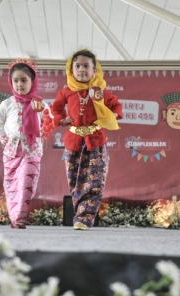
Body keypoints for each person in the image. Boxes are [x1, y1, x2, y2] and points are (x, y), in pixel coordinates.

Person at [51, 49, 123, 230]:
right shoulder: (65, 91)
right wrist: (62, 120)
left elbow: (116, 106)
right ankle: (79, 213)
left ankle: (84, 218)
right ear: (71, 70)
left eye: (86, 66)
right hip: (73, 142)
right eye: (77, 66)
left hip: (96, 142)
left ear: (94, 70)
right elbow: (56, 109)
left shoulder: (100, 91)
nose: (81, 69)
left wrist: (109, 117)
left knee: (95, 181)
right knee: (75, 180)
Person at [0, 58, 44, 229]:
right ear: (11, 82)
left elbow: (49, 120)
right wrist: (3, 137)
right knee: (12, 184)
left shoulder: (39, 103)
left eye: (24, 80)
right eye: (16, 81)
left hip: (32, 150)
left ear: (32, 81)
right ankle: (15, 218)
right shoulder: (7, 103)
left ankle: (21, 216)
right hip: (12, 151)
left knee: (27, 182)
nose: (20, 84)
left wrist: (43, 132)